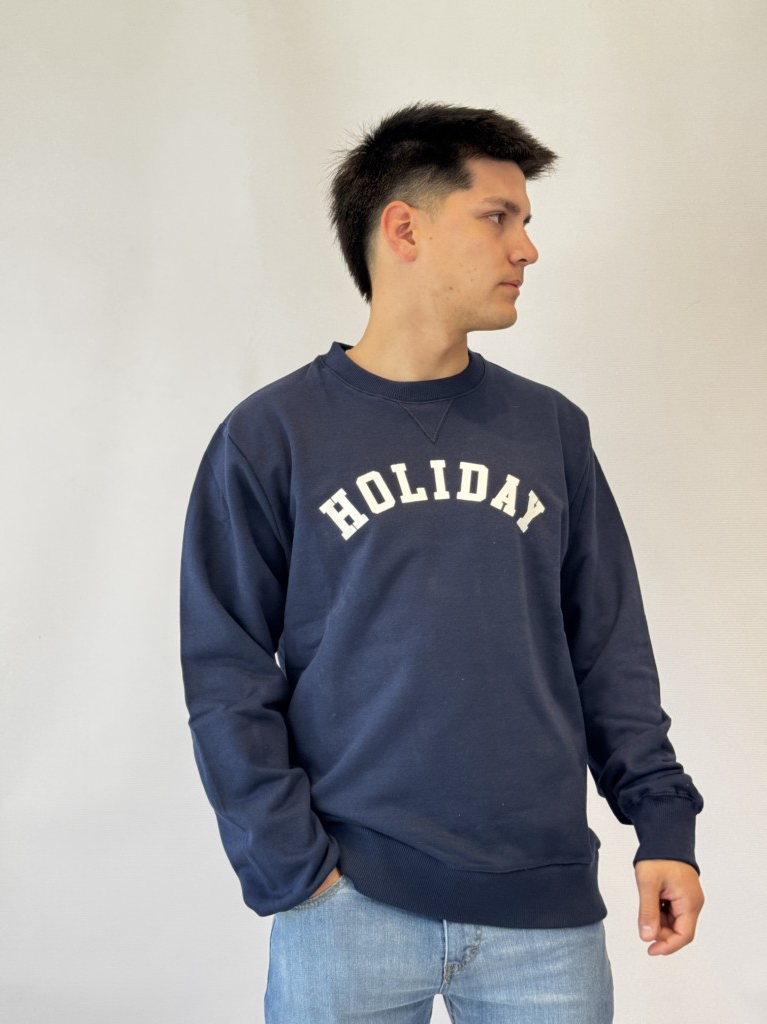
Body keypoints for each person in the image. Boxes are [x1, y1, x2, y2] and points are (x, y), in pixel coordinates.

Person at [180, 103, 704, 1023]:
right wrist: (293, 866)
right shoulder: (272, 436)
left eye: (525, 222)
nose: (526, 249)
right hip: (347, 904)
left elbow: (609, 648)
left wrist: (662, 823)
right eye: (497, 217)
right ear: (404, 229)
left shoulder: (550, 431)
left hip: (544, 916)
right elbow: (225, 672)